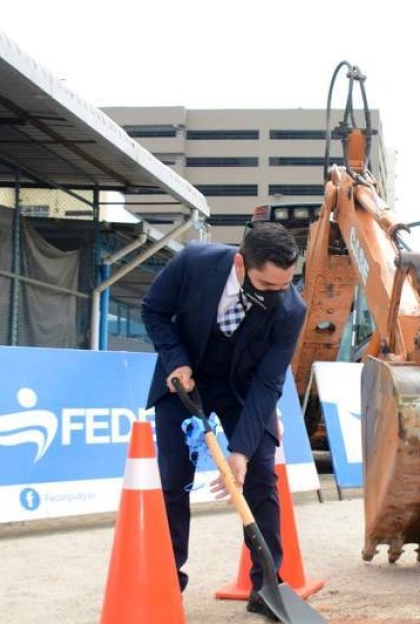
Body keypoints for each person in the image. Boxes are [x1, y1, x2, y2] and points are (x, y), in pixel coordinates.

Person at [141, 222, 305, 620]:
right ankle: (167, 583)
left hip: (244, 391)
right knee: (173, 480)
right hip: (185, 380)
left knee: (261, 477)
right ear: (240, 264)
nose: (278, 293)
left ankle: (266, 586)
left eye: (286, 284)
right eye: (268, 285)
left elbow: (269, 382)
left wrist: (242, 451)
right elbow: (154, 310)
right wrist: (176, 360)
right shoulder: (194, 263)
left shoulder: (291, 309)